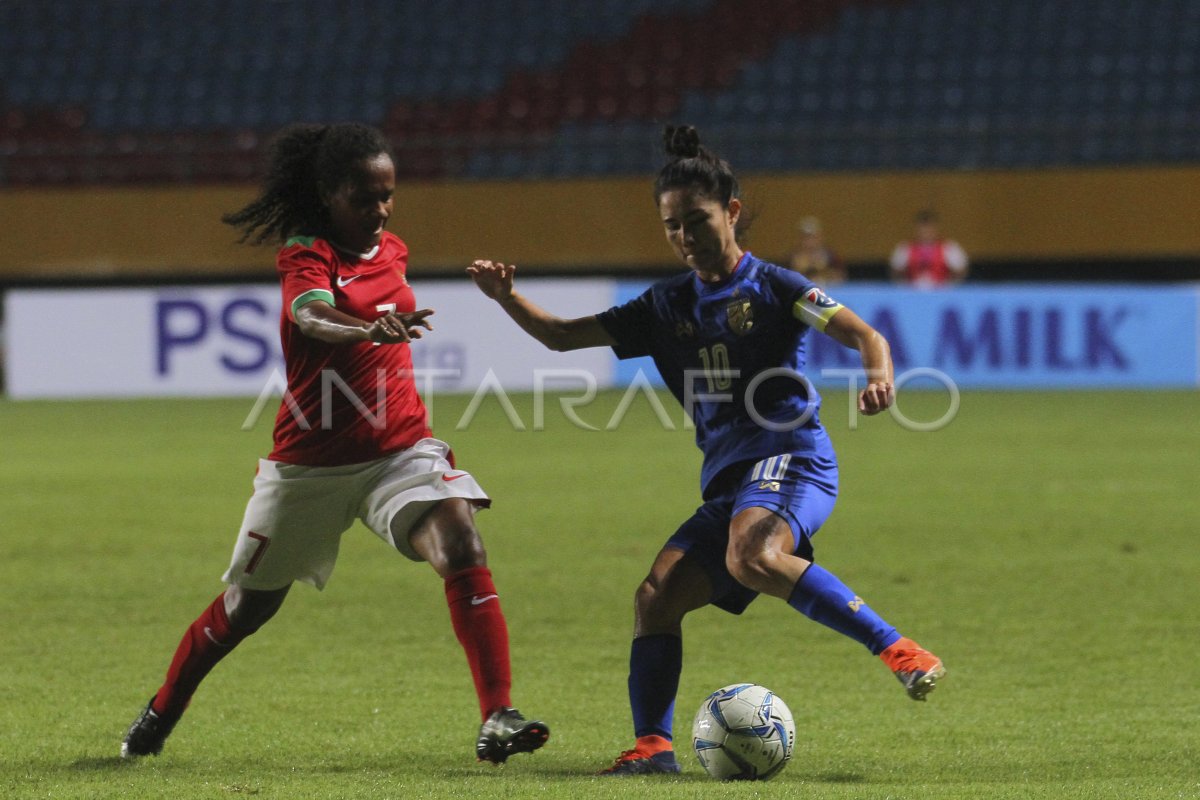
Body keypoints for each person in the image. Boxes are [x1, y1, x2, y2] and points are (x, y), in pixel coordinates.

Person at [468, 125, 945, 776]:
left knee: (752, 555)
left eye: (697, 220)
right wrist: (506, 298)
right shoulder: (665, 305)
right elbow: (558, 337)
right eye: (672, 226)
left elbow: (863, 332)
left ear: (733, 213)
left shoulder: (776, 287)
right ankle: (654, 749)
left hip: (792, 456)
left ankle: (899, 650)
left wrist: (879, 377)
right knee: (655, 598)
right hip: (730, 483)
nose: (685, 236)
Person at [121, 123, 548, 765]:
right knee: (247, 608)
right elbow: (309, 315)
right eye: (364, 197)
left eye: (388, 195)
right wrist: (369, 329)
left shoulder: (393, 250)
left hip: (400, 451)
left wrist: (382, 328)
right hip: (309, 467)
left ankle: (498, 715)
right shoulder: (305, 254)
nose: (379, 210)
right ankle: (160, 710)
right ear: (328, 195)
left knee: (461, 542)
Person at [889, 209, 968, 286]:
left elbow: (960, 271)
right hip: (912, 293)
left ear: (935, 229)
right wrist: (905, 287)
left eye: (929, 229)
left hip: (942, 292)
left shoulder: (949, 248)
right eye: (922, 229)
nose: (926, 233)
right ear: (916, 229)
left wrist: (948, 286)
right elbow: (895, 272)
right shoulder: (905, 248)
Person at [786, 215, 846, 286]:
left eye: (813, 237)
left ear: (820, 237)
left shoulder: (830, 255)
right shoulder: (793, 257)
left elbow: (840, 277)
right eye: (805, 238)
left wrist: (824, 272)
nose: (809, 242)